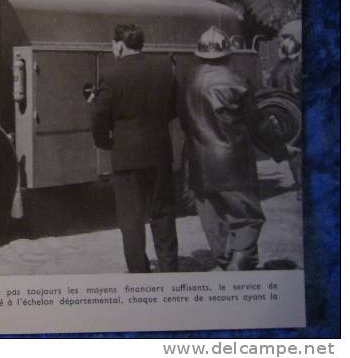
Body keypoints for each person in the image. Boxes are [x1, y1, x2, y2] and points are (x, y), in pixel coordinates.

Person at [180, 26, 294, 271]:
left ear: (199, 54)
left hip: (198, 164)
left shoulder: (187, 81)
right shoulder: (237, 81)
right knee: (249, 218)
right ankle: (239, 264)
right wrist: (279, 151)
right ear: (227, 54)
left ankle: (226, 261)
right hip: (232, 164)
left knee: (213, 221)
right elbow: (258, 124)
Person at [90, 23, 178, 273]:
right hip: (159, 152)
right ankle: (170, 269)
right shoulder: (163, 69)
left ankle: (140, 272)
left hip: (126, 155)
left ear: (119, 45)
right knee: (163, 214)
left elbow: (98, 117)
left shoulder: (111, 75)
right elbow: (173, 108)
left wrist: (105, 142)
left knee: (131, 219)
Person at [268, 23, 303, 199]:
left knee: (293, 151)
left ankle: (299, 187)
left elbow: (270, 91)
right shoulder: (300, 67)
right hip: (300, 109)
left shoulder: (275, 69)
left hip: (285, 114)